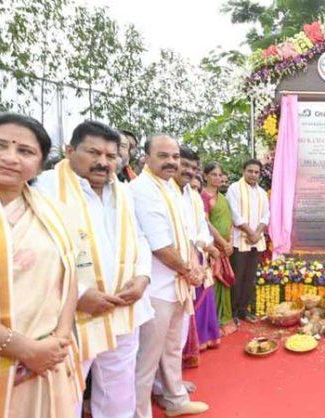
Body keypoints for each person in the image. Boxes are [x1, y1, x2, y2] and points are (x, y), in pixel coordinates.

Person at [0, 113, 82, 417]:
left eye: (25, 151)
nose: (10, 158)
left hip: (45, 364)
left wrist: (58, 341)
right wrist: (24, 350)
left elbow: (68, 277)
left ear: (40, 164)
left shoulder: (55, 213)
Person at [34, 120, 154, 418]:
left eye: (111, 156)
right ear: (70, 150)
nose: (103, 162)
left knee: (119, 386)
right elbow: (36, 252)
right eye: (93, 152)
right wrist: (79, 295)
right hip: (71, 314)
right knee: (66, 392)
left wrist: (142, 277)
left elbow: (138, 238)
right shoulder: (44, 189)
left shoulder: (123, 192)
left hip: (124, 307)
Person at [130, 135, 208, 417]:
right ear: (146, 158)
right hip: (156, 288)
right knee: (146, 359)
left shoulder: (171, 189)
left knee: (173, 348)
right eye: (163, 156)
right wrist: (189, 271)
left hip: (177, 284)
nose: (171, 162)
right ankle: (140, 413)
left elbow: (185, 234)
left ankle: (175, 400)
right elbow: (160, 245)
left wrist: (195, 265)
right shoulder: (141, 189)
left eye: (175, 156)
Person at [174, 147, 219, 368]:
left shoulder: (191, 196)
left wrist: (205, 246)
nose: (190, 171)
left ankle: (181, 364)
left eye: (193, 167)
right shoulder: (166, 193)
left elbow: (200, 225)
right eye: (185, 165)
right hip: (177, 263)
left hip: (198, 256)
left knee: (185, 315)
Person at [227, 159, 269, 323]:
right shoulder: (234, 188)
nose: (253, 175)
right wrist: (250, 232)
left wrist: (257, 233)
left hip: (256, 241)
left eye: (256, 172)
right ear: (243, 171)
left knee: (250, 277)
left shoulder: (262, 192)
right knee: (237, 277)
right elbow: (235, 214)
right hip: (240, 241)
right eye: (250, 171)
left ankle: (244, 310)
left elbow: (266, 214)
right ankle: (234, 313)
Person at [202, 162, 237, 335]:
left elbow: (229, 221)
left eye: (219, 175)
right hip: (213, 248)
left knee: (225, 283)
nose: (217, 178)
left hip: (226, 247)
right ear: (205, 175)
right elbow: (206, 223)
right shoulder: (203, 196)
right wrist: (222, 243)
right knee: (214, 283)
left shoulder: (223, 197)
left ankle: (225, 319)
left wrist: (229, 241)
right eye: (213, 174)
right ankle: (213, 322)